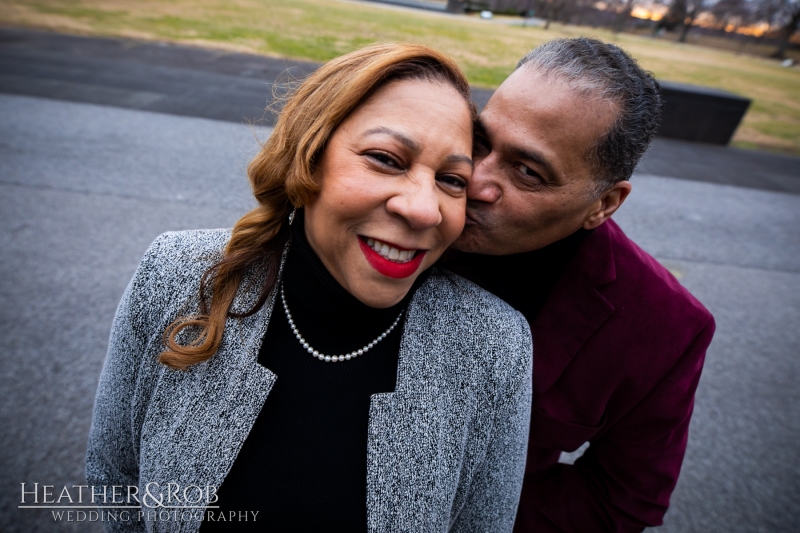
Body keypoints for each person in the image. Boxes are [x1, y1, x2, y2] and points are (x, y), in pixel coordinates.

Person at [85, 43, 532, 533]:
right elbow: (115, 480)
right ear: (309, 158)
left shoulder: (495, 346)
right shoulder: (179, 274)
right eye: (385, 159)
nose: (425, 209)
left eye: (451, 179)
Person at [448, 37, 716, 532]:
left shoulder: (664, 327)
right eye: (481, 142)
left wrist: (460, 514)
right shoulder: (395, 199)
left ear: (604, 204)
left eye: (528, 172)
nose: (475, 184)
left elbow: (622, 499)